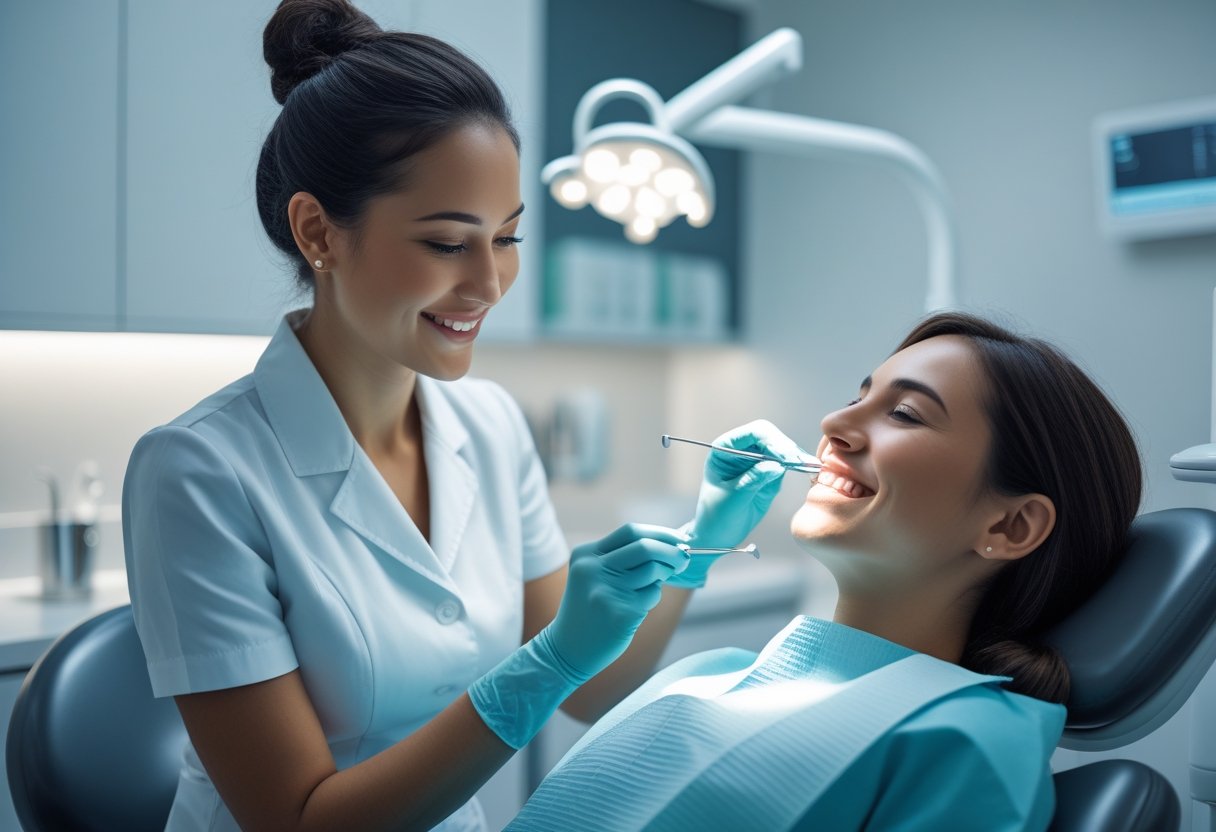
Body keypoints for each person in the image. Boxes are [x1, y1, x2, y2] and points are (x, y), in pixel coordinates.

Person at [121, 2, 744, 830]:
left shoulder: (489, 426)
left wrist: (703, 536)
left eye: (508, 239)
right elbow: (301, 819)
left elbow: (592, 690)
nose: (488, 284)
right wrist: (548, 660)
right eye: (449, 244)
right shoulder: (198, 472)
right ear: (319, 232)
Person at [506, 312, 1143, 831]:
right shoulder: (706, 672)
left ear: (1010, 528)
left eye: (905, 414)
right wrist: (698, 545)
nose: (834, 425)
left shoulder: (966, 742)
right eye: (856, 398)